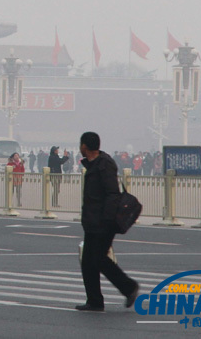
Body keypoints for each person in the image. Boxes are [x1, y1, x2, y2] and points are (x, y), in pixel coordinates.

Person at [76, 131, 139, 312]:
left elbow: (112, 193)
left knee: (98, 259)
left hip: (103, 222)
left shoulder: (104, 165)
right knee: (89, 261)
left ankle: (128, 287)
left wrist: (106, 219)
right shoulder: (94, 164)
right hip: (92, 221)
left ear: (84, 147)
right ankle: (94, 301)